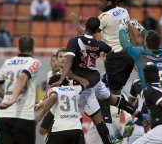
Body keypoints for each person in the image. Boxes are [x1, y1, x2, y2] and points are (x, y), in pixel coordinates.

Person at [55, 16, 142, 144]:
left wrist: (62, 78)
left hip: (86, 87)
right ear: (97, 30)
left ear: (86, 26)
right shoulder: (98, 44)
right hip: (97, 81)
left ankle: (110, 139)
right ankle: (138, 114)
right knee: (113, 99)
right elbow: (105, 47)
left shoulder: (74, 41)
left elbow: (68, 61)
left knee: (98, 121)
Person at [0, 35, 41, 144]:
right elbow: (22, 77)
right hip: (24, 116)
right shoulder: (35, 62)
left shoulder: (8, 62)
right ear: (33, 49)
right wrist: (13, 99)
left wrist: (6, 99)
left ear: (18, 48)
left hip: (4, 116)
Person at [35, 74, 85, 144]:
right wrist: (74, 76)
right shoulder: (75, 89)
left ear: (54, 84)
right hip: (77, 129)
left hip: (60, 129)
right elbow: (86, 83)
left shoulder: (54, 89)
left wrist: (40, 115)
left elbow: (54, 97)